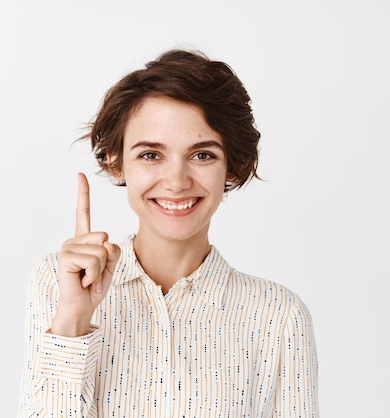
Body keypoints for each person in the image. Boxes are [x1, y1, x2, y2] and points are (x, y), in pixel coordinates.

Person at [18, 49, 319, 417]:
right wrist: (72, 320)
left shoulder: (278, 316)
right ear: (116, 162)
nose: (176, 181)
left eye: (202, 155)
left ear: (232, 166)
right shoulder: (57, 282)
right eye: (150, 155)